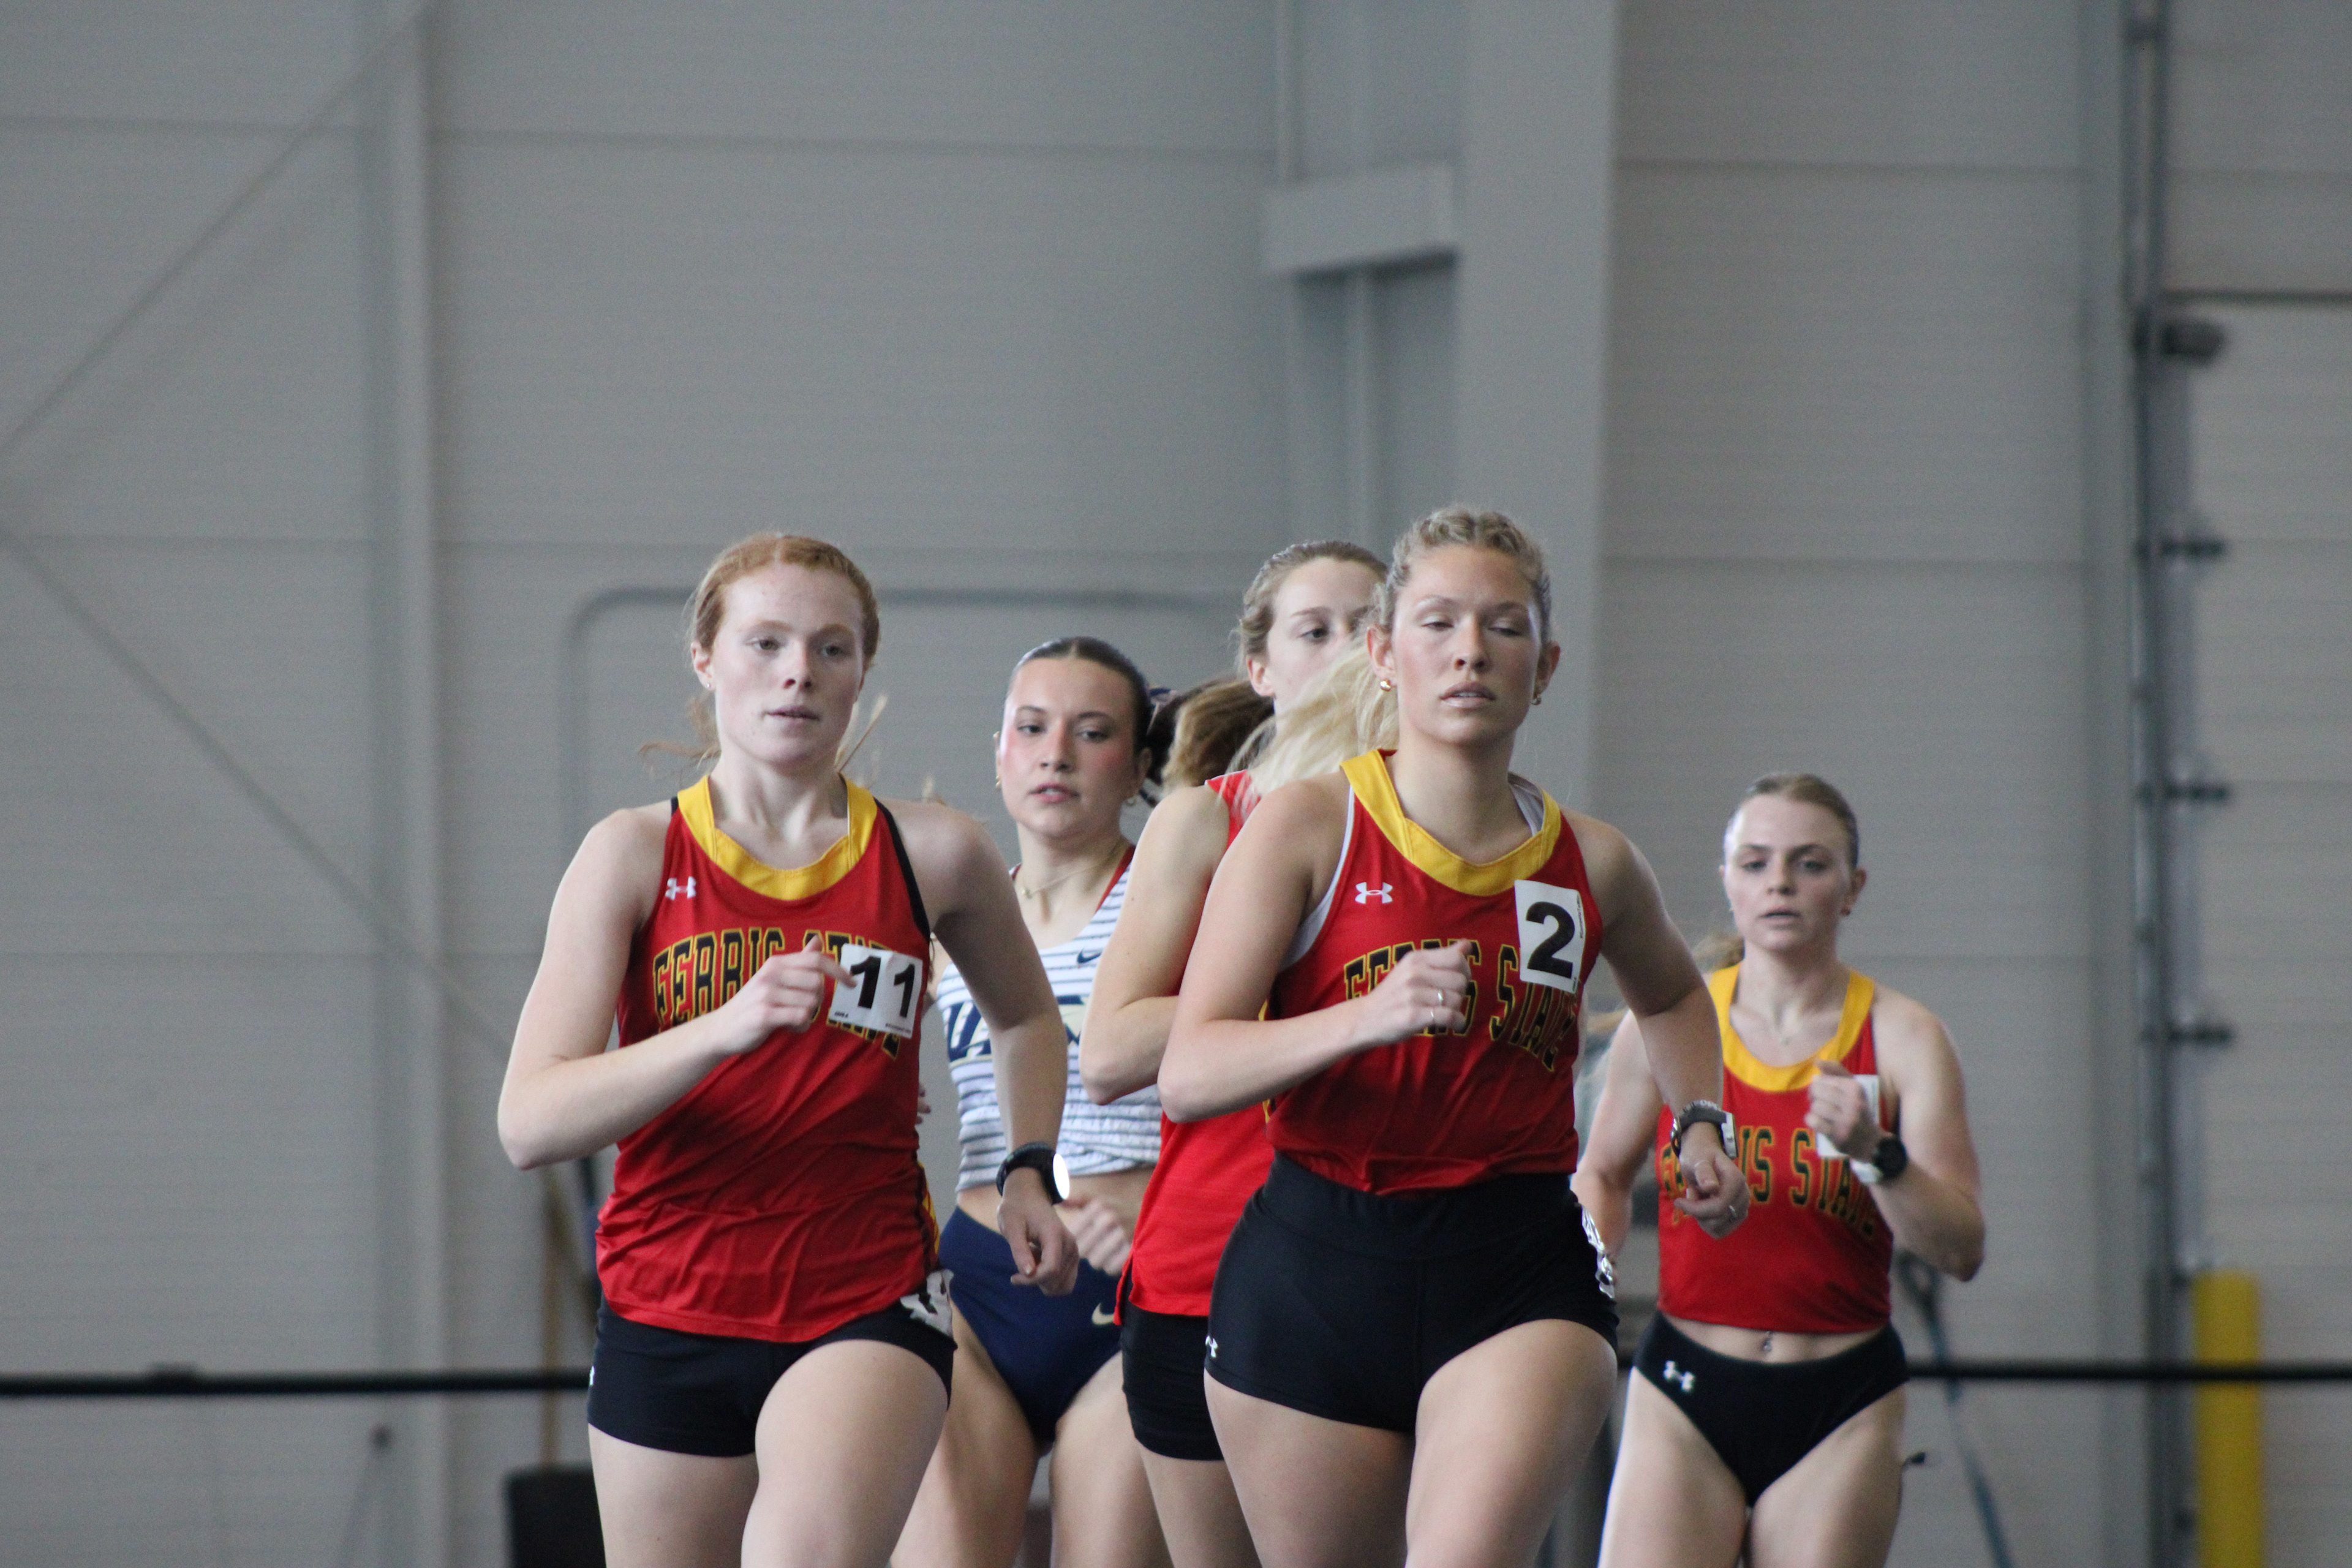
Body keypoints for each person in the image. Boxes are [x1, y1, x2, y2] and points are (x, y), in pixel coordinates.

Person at [1157, 507, 1749, 1568]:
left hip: (1518, 1265)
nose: (1471, 650)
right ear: (1385, 654)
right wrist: (1365, 1016)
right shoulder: (1307, 825)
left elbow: (1673, 998)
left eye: (1504, 626)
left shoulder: (1595, 862)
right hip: (1317, 1262)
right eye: (1438, 623)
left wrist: (1702, 1120)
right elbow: (1190, 1071)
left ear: (1545, 666)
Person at [497, 534, 1079, 1568]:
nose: (798, 672)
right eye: (765, 643)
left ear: (861, 671)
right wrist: (725, 1028)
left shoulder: (933, 852)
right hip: (668, 1295)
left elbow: (1028, 1019)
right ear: (706, 658)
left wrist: (1027, 1168)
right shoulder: (633, 855)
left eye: (830, 648)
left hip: (862, 1294)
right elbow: (531, 1121)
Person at [1574, 774, 1986, 1568]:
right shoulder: (1668, 1025)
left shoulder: (1905, 1039)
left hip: (1839, 1399)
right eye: (1757, 863)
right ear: (1727, 881)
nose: (1781, 884)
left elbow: (1961, 1250)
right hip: (1686, 1385)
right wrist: (1577, 1295)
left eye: (1810, 864)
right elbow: (1602, 1176)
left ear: (1852, 888)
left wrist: (1877, 1153)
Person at [1079, 541, 1384, 1568]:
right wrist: (1306, 1000)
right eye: (1314, 630)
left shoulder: (1459, 831)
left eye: (1366, 627)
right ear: (1261, 667)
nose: (1344, 651)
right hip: (1207, 1266)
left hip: (1390, 1264)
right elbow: (1110, 1052)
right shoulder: (1206, 820)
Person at [894, 636, 1173, 1568]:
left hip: (1131, 1279)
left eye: (1091, 733)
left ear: (1136, 766)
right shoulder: (953, 923)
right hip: (981, 1280)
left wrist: (1168, 1219)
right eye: (1032, 728)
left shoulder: (1176, 909)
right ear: (1000, 753)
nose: (1056, 754)